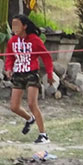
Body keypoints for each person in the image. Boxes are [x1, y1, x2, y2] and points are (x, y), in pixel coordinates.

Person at [4, 14, 53, 144]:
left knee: (32, 103)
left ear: (24, 26)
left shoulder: (35, 40)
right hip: (18, 74)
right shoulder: (12, 41)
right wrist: (8, 68)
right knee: (14, 107)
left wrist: (49, 74)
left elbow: (46, 57)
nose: (14, 28)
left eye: (17, 25)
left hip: (31, 73)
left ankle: (43, 135)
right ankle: (29, 119)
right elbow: (9, 57)